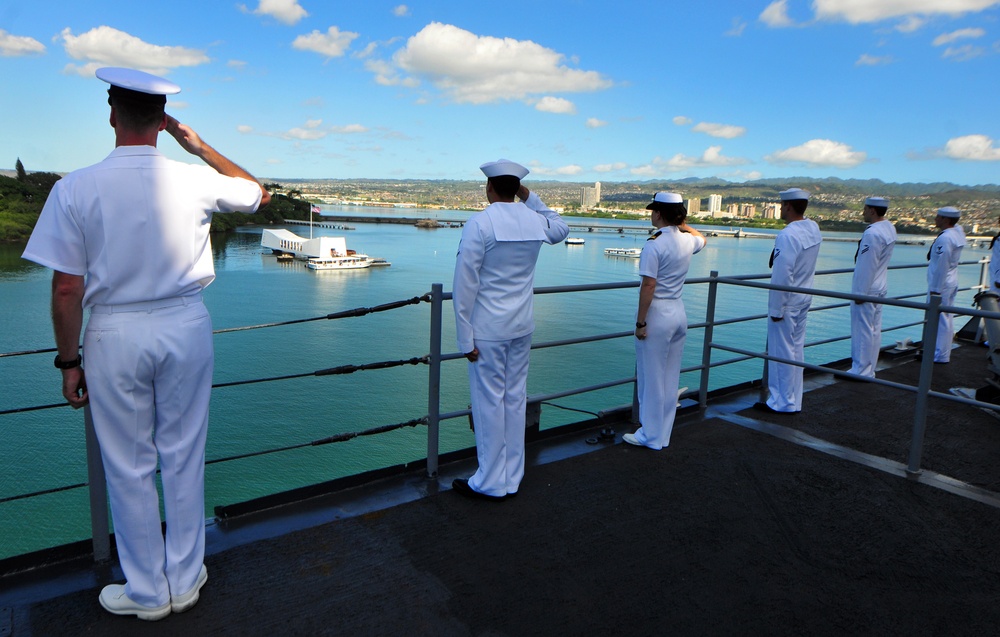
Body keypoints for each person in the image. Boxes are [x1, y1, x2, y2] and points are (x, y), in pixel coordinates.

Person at [21, 67, 269, 620]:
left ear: (111, 115)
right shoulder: (192, 178)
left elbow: (66, 287)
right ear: (163, 121)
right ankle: (185, 578)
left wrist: (68, 361)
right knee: (183, 454)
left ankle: (147, 592)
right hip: (186, 324)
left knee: (129, 464)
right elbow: (258, 193)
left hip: (114, 331)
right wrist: (202, 148)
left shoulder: (74, 187)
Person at [451, 159, 569, 500]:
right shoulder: (534, 220)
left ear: (488, 188)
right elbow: (561, 228)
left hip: (488, 330)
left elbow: (465, 285)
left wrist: (464, 338)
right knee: (515, 400)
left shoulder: (480, 223)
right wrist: (529, 197)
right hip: (522, 326)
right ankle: (512, 477)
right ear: (515, 188)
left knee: (489, 403)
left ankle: (489, 481)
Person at [624, 193, 706, 450]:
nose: (651, 215)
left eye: (653, 211)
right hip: (678, 313)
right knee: (670, 377)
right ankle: (663, 434)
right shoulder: (686, 240)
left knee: (651, 377)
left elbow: (648, 285)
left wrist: (640, 323)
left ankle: (649, 435)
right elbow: (702, 239)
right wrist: (681, 225)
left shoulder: (653, 244)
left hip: (657, 315)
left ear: (658, 213)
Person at [754, 188, 822, 415]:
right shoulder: (813, 228)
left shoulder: (788, 235)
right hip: (803, 297)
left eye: (782, 205)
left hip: (787, 302)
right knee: (796, 351)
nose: (781, 208)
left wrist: (776, 307)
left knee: (781, 353)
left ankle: (781, 402)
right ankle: (793, 399)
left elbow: (783, 274)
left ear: (788, 206)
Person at [849, 197, 896, 378]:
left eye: (865, 209)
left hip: (868, 288)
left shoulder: (872, 233)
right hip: (880, 285)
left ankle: (860, 370)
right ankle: (869, 368)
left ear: (872, 211)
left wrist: (860, 292)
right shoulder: (889, 228)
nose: (863, 212)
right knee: (874, 330)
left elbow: (867, 264)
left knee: (862, 331)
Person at [926, 206, 965, 363]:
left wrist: (936, 290)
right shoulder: (956, 232)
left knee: (941, 320)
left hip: (941, 285)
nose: (935, 219)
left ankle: (939, 354)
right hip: (950, 281)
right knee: (946, 319)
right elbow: (959, 226)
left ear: (946, 220)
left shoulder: (946, 238)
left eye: (939, 217)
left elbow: (942, 264)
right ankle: (942, 352)